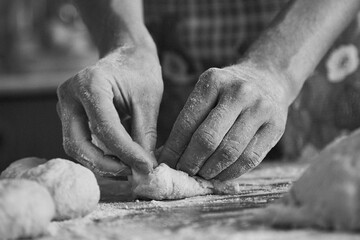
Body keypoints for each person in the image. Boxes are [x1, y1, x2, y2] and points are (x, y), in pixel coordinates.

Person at [57, 0, 360, 181]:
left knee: (325, 195)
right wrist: (125, 41)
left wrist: (276, 68)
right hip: (164, 59)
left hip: (313, 45)